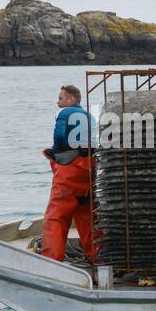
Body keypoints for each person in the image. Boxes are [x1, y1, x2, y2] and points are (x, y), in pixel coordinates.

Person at [41, 83, 97, 263]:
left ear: (71, 100)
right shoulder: (90, 116)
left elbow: (59, 136)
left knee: (56, 219)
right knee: (89, 219)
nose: (58, 103)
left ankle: (51, 263)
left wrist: (56, 151)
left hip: (69, 173)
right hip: (89, 171)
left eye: (60, 98)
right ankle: (99, 261)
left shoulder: (64, 113)